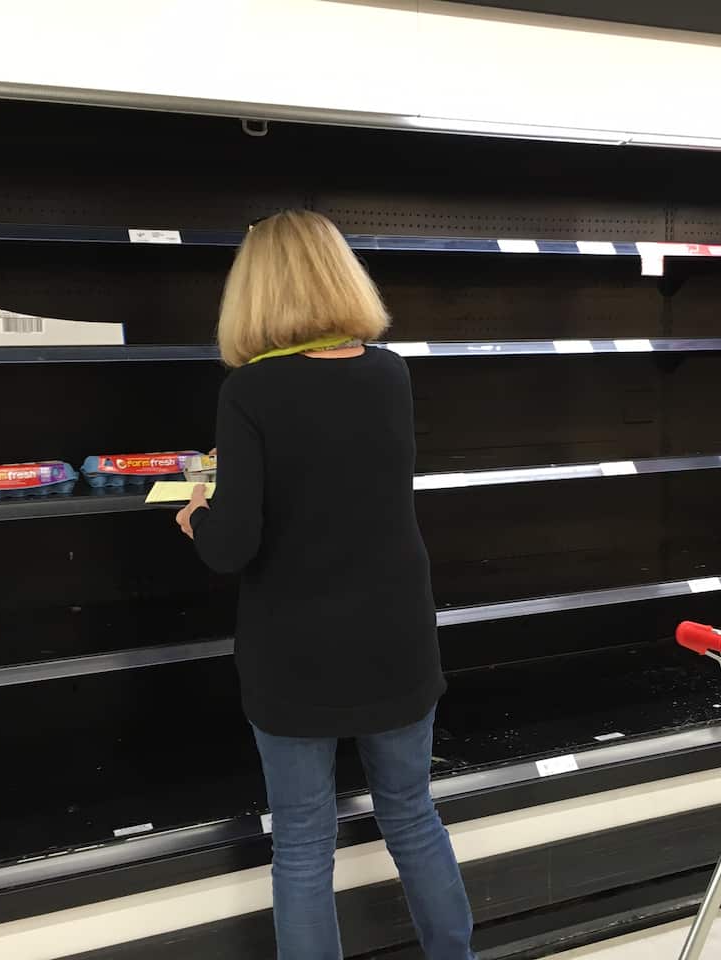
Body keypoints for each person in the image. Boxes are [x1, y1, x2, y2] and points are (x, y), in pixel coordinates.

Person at [175, 210, 476, 960]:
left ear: (254, 291)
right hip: (397, 633)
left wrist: (199, 514)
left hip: (295, 648)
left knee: (305, 845)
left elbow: (234, 545)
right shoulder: (390, 371)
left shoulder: (250, 392)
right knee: (411, 813)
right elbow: (348, 477)